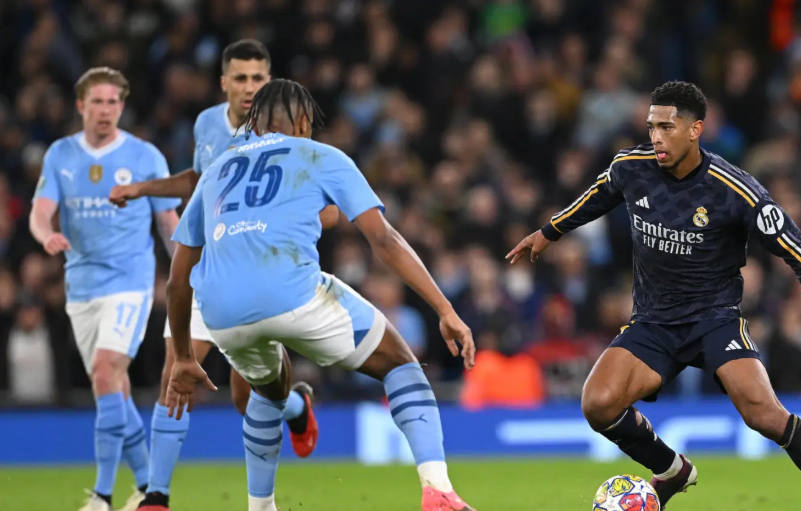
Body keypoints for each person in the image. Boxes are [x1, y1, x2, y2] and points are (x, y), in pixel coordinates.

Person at [507, 81, 801, 511]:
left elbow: (796, 250)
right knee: (598, 404)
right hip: (653, 321)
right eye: (651, 127)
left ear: (695, 129)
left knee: (764, 414)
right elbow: (599, 195)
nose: (656, 137)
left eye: (666, 127)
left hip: (715, 319)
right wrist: (550, 231)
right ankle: (672, 469)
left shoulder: (735, 190)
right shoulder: (631, 167)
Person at [165, 79, 477, 511]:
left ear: (253, 123)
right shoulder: (320, 155)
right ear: (303, 122)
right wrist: (444, 309)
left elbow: (178, 279)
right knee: (400, 363)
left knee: (267, 391)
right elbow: (383, 240)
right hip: (291, 293)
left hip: (221, 313)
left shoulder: (216, 171)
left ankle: (260, 507)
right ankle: (438, 491)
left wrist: (183, 357)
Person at [108, 40, 327, 511]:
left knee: (247, 398)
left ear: (270, 82)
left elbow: (321, 199)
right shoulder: (207, 124)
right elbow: (198, 180)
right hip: (205, 268)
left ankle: (295, 407)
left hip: (254, 273)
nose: (250, 87)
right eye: (241, 78)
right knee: (175, 370)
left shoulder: (283, 133)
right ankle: (156, 497)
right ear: (224, 81)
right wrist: (145, 188)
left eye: (258, 78)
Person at [30, 67, 181, 511]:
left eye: (113, 101)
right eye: (97, 101)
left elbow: (167, 222)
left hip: (130, 282)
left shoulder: (145, 156)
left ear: (122, 106)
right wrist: (46, 235)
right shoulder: (61, 154)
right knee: (112, 388)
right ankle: (149, 488)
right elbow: (40, 212)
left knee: (105, 369)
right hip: (81, 286)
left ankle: (102, 495)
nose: (106, 110)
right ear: (81, 105)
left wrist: (189, 275)